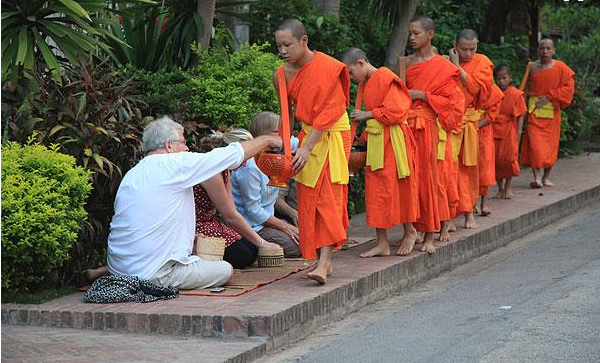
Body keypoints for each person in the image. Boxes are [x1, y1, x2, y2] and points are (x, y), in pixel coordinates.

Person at [106, 117, 282, 289]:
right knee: (225, 270)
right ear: (169, 145)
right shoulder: (175, 163)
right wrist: (267, 139)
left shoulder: (133, 173)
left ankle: (104, 271)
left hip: (118, 270)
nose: (187, 147)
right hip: (153, 274)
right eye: (183, 142)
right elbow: (232, 154)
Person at [274, 18, 351, 284]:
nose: (283, 51)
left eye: (287, 45)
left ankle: (325, 261)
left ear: (303, 41)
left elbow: (333, 109)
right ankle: (322, 259)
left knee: (329, 198)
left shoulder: (329, 67)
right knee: (309, 200)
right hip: (307, 136)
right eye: (279, 46)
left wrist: (307, 147)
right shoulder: (282, 74)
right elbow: (288, 113)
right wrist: (286, 146)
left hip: (331, 136)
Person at [341, 47, 419, 258]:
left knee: (400, 186)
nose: (350, 77)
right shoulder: (366, 83)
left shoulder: (386, 77)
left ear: (361, 63)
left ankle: (410, 230)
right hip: (377, 141)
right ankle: (382, 243)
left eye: (350, 72)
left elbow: (397, 111)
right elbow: (379, 119)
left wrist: (367, 114)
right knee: (376, 190)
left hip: (394, 142)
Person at [402, 16, 465, 254]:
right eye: (410, 33)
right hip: (408, 127)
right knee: (409, 180)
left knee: (429, 180)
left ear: (430, 35)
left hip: (428, 128)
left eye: (416, 33)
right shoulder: (406, 63)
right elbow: (397, 95)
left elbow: (455, 105)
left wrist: (424, 96)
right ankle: (411, 229)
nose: (411, 38)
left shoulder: (445, 67)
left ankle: (430, 233)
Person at [194, 128, 283, 269]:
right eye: (243, 158)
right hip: (196, 227)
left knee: (251, 250)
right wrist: (263, 243)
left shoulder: (226, 170)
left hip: (213, 223)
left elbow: (232, 212)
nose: (245, 163)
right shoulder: (212, 171)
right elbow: (229, 216)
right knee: (244, 255)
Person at [449, 29, 504, 227]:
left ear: (478, 44)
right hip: (451, 123)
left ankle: (469, 212)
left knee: (469, 169)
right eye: (464, 49)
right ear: (455, 46)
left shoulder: (483, 63)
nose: (468, 54)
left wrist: (457, 67)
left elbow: (474, 88)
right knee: (450, 170)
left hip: (470, 124)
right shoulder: (444, 61)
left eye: (472, 49)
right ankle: (450, 215)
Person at [231, 112, 301, 258]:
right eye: (277, 133)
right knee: (297, 248)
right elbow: (253, 211)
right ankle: (258, 249)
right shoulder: (250, 166)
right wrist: (285, 226)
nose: (282, 137)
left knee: (310, 239)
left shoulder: (276, 153)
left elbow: (300, 141)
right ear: (264, 135)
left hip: (270, 221)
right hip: (253, 227)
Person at [521, 38, 575, 188]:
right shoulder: (532, 67)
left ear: (553, 50)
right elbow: (524, 89)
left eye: (548, 49)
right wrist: (521, 108)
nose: (545, 52)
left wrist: (549, 96)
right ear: (537, 50)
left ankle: (546, 177)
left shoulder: (561, 67)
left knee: (550, 147)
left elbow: (569, 88)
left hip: (551, 113)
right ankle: (537, 177)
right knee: (535, 146)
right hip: (534, 110)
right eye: (542, 48)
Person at [493, 65, 528, 199]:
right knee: (495, 159)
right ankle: (500, 188)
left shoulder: (516, 94)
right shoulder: (493, 92)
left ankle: (508, 187)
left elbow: (521, 114)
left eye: (504, 78)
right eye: (498, 79)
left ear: (510, 78)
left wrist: (519, 132)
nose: (501, 81)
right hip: (494, 129)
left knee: (508, 159)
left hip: (509, 130)